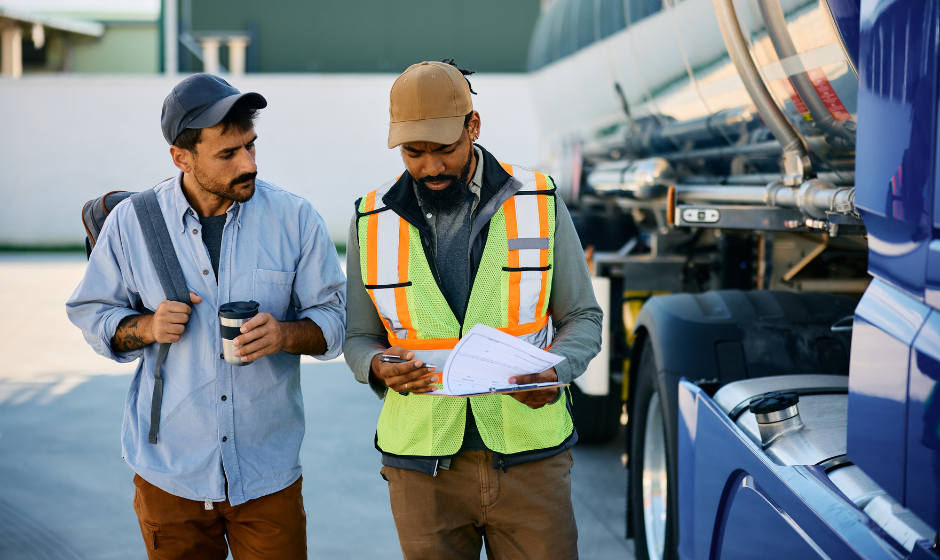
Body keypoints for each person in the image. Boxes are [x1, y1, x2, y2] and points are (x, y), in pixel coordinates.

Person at [66, 73, 346, 560]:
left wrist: (284, 334)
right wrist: (147, 327)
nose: (249, 164)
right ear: (181, 157)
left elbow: (336, 321)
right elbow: (93, 312)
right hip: (169, 475)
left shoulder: (295, 219)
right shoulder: (132, 222)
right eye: (228, 154)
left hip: (267, 476)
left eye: (251, 147)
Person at [343, 60, 602, 559]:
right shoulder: (370, 220)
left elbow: (583, 318)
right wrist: (376, 365)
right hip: (422, 469)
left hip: (531, 462)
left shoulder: (539, 201)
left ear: (474, 127)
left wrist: (557, 370)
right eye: (413, 153)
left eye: (445, 149)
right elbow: (357, 337)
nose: (430, 167)